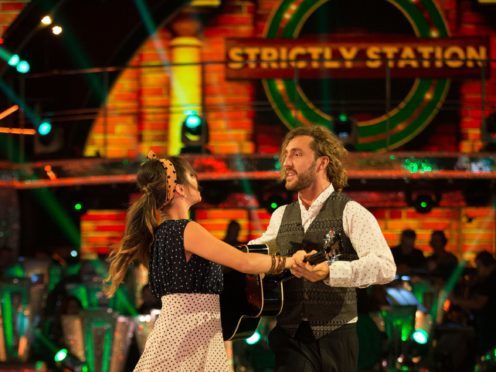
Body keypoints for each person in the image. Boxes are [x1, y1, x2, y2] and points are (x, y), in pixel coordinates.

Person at [104, 151, 294, 372]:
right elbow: (243, 262)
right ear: (179, 189)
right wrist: (289, 261)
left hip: (183, 333)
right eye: (192, 176)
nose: (198, 181)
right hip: (190, 336)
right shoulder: (186, 230)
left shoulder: (160, 235)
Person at [249, 126, 396, 371]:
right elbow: (258, 250)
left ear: (322, 163)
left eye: (296, 154)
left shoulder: (351, 211)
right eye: (285, 155)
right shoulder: (281, 215)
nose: (286, 163)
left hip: (336, 337)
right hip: (290, 336)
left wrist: (331, 272)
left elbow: (385, 266)